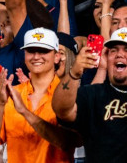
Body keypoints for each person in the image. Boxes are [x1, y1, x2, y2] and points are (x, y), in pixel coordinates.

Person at [0, 27, 74, 162]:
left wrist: (24, 111)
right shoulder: (12, 94)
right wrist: (0, 103)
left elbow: (67, 143)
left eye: (43, 51)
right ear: (24, 55)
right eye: (31, 51)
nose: (36, 56)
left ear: (57, 56)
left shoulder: (68, 94)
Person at [54, 27, 127, 161]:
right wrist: (74, 73)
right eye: (113, 50)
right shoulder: (92, 94)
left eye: (126, 49)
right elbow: (62, 110)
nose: (119, 54)